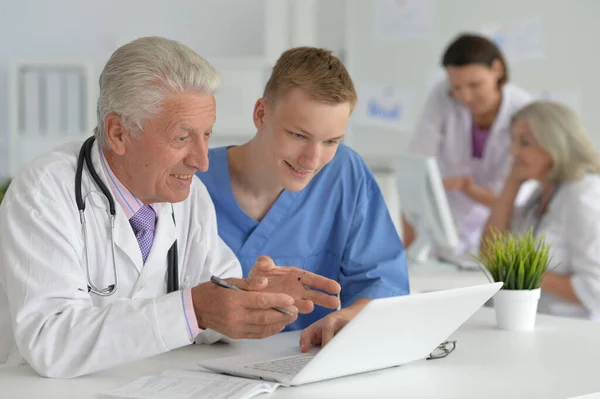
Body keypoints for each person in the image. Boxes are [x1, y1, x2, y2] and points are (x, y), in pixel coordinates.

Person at [0, 37, 341, 378]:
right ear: (119, 133)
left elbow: (210, 317)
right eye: (182, 138)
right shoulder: (45, 193)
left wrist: (247, 301)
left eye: (207, 135)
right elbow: (50, 342)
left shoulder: (189, 197)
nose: (202, 161)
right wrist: (191, 310)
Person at [196, 46, 410, 351]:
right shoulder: (192, 181)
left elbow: (384, 284)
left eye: (331, 141)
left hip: (307, 364)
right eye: (298, 135)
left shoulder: (344, 174)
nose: (312, 159)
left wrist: (349, 317)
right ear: (261, 114)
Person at [405, 33, 532, 256]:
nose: (465, 96)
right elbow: (419, 159)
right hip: (446, 216)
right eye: (457, 87)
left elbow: (513, 193)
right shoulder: (442, 94)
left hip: (497, 220)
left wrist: (470, 190)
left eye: (475, 85)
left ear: (497, 70)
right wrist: (433, 185)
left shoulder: (524, 111)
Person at [482, 101, 600, 320]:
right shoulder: (543, 192)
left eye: (524, 143)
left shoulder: (585, 197)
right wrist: (511, 183)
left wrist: (523, 271)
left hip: (571, 333)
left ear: (555, 144)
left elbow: (596, 289)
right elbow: (490, 251)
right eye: (513, 142)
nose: (513, 151)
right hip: (533, 322)